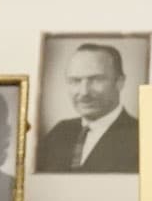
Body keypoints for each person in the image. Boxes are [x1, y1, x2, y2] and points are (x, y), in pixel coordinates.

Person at [33, 43, 139, 172]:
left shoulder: (140, 136)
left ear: (119, 82)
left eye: (96, 80)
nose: (84, 92)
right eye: (75, 81)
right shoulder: (59, 132)